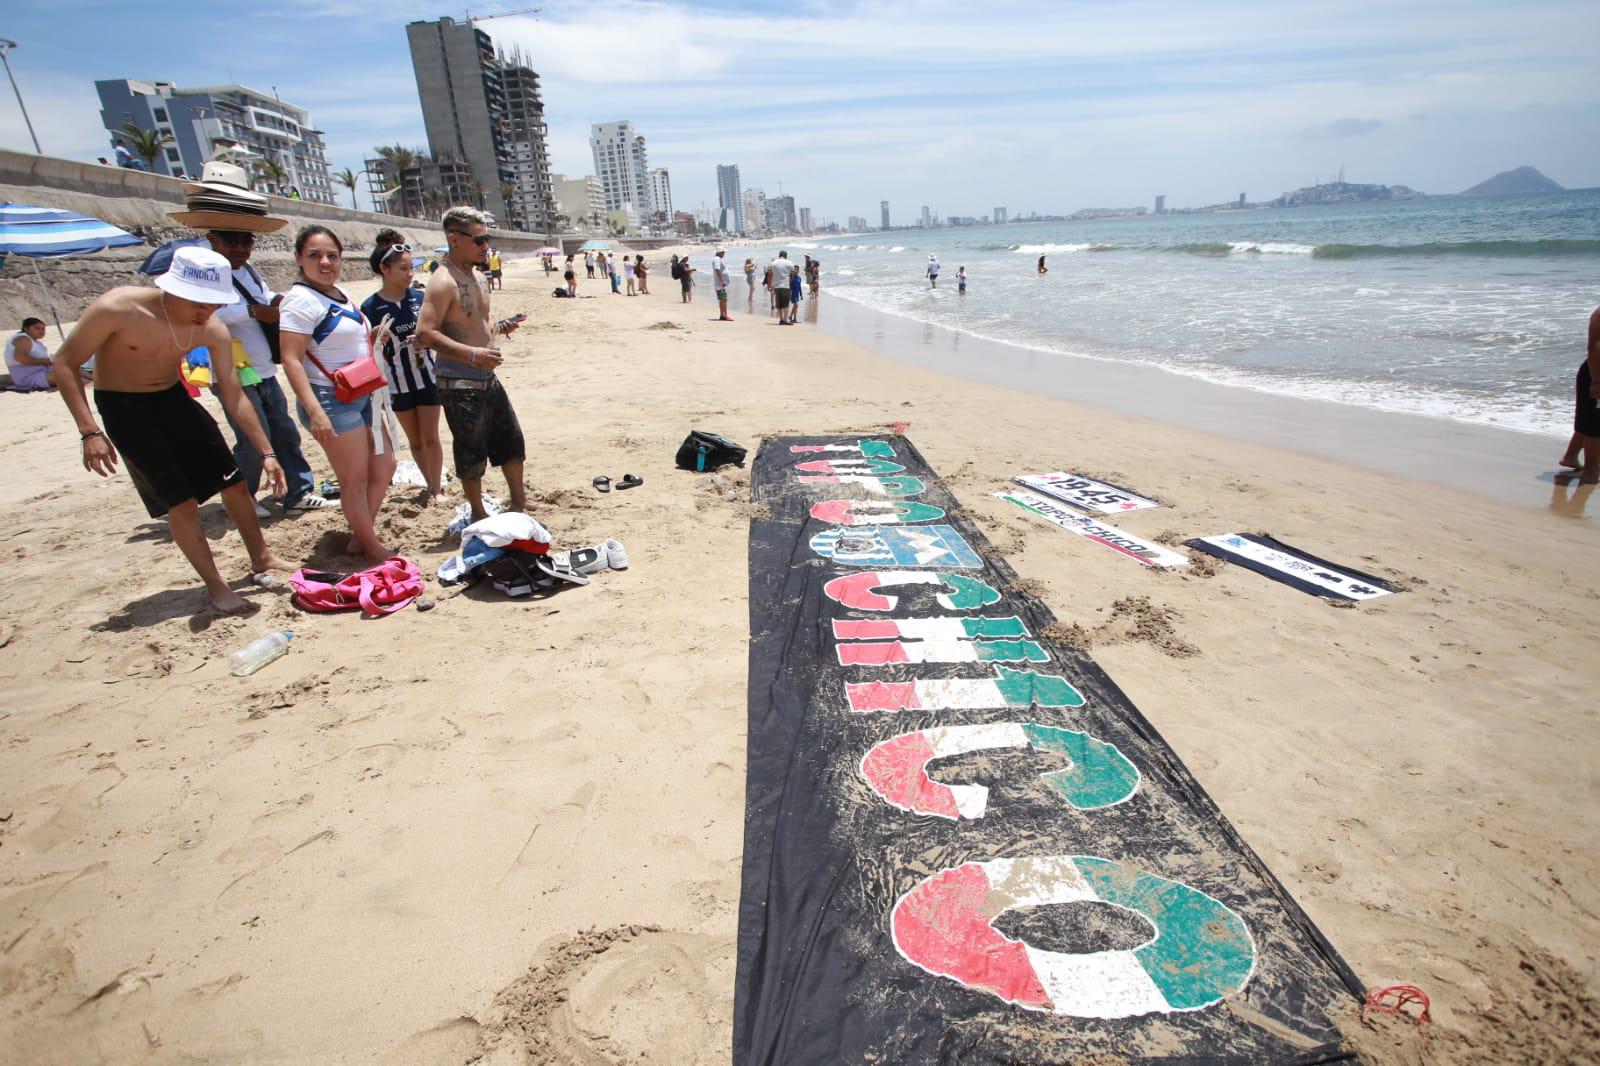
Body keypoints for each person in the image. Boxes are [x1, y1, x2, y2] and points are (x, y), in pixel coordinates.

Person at [50, 246, 289, 614]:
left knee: (235, 482)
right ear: (171, 288)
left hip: (173, 399)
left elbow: (232, 392)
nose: (204, 313)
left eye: (211, 305)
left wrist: (267, 452)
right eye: (197, 303)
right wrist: (90, 432)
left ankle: (262, 556)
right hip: (124, 407)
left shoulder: (211, 328)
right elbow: (64, 363)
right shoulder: (119, 307)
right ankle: (216, 585)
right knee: (181, 502)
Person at [278, 225, 397, 564]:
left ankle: (362, 536)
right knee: (354, 480)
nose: (325, 262)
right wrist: (315, 411)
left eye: (332, 255)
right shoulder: (300, 300)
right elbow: (291, 358)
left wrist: (371, 338)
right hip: (330, 398)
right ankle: (370, 546)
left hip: (361, 391)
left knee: (385, 465)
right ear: (299, 259)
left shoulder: (339, 293)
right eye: (314, 255)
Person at [415, 206, 527, 523]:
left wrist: (501, 328)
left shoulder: (478, 276)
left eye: (486, 239)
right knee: (470, 449)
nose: (485, 246)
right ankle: (478, 513)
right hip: (458, 379)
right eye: (479, 240)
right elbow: (424, 333)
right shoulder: (442, 281)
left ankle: (519, 500)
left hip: (486, 375)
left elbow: (478, 321)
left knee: (511, 440)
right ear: (454, 239)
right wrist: (473, 354)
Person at [362, 231, 444, 500]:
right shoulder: (371, 306)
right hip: (396, 382)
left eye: (412, 268)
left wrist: (426, 341)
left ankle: (436, 489)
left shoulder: (420, 299)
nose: (410, 274)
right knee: (417, 441)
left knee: (431, 437)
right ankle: (429, 482)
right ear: (384, 269)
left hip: (427, 376)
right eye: (403, 268)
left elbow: (439, 333)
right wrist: (375, 339)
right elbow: (363, 349)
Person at [1557, 306, 1600, 485]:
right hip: (1596, 372)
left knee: (1589, 418)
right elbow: (1595, 347)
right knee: (1595, 422)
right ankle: (1591, 470)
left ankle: (1570, 456)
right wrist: (1597, 381)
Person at [7, 318, 55, 391]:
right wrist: (44, 361)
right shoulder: (23, 339)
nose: (41, 331)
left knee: (74, 369)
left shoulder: (34, 342)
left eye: (43, 329)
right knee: (67, 376)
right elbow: (20, 358)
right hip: (29, 376)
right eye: (37, 328)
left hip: (41, 372)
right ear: (26, 329)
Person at [769, 251, 794, 325]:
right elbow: (792, 274)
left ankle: (781, 319)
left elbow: (770, 274)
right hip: (786, 286)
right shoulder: (790, 263)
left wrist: (769, 285)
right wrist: (790, 282)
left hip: (776, 286)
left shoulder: (773, 263)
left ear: (779, 255)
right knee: (785, 304)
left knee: (779, 304)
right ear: (786, 256)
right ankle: (785, 320)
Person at [712, 250, 732, 321]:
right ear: (719, 252)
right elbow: (717, 270)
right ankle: (725, 315)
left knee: (721, 299)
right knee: (724, 299)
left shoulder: (716, 259)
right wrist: (722, 281)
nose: (724, 254)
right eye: (723, 252)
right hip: (720, 284)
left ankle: (722, 315)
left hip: (719, 283)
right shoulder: (717, 259)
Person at [788, 259, 802, 324]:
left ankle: (793, 318)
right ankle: (792, 317)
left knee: (796, 306)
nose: (796, 270)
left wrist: (801, 295)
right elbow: (789, 285)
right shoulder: (792, 277)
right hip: (792, 293)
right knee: (796, 305)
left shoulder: (799, 278)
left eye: (797, 269)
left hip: (797, 294)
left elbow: (799, 286)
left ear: (798, 270)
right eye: (795, 269)